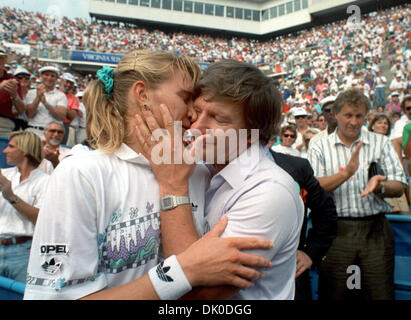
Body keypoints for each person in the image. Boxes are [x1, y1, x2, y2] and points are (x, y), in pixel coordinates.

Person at [24, 51, 274, 300]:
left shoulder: (198, 173)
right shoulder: (82, 174)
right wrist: (180, 272)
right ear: (142, 94)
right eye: (186, 98)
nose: (193, 114)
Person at [135, 59, 304, 300]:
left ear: (250, 136)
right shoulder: (201, 166)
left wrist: (173, 187)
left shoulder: (270, 193)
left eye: (218, 119)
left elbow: (196, 292)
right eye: (197, 110)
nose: (197, 125)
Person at [308, 88, 407, 300]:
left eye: (359, 116)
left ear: (366, 116)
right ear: (335, 114)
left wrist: (380, 188)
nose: (353, 122)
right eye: (348, 115)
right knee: (336, 294)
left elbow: (399, 184)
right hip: (335, 232)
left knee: (380, 293)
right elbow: (314, 187)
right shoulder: (320, 147)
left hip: (375, 231)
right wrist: (346, 174)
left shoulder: (380, 143)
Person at [268, 149, 337, 300]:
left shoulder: (296, 167)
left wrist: (310, 253)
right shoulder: (210, 171)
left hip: (291, 277)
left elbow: (326, 211)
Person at [0, 131, 49, 283]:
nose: (4, 150)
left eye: (10, 146)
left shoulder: (46, 181)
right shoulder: (4, 174)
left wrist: (11, 196)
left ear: (25, 150)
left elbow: (41, 218)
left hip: (24, 253)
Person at [369, 113, 409, 214]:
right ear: (372, 126)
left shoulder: (391, 143)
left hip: (394, 185)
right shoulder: (366, 143)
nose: (383, 125)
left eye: (385, 123)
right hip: (378, 191)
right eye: (379, 122)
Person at [25, 66, 67, 139]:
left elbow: (61, 116)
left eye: (52, 76)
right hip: (33, 131)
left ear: (56, 79)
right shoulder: (31, 93)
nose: (49, 78)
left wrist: (46, 103)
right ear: (41, 76)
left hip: (51, 134)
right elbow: (29, 114)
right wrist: (38, 98)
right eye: (46, 75)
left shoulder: (61, 95)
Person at [0, 46, 25, 137]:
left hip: (4, 125)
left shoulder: (12, 81)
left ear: (5, 61)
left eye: (1, 58)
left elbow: (21, 110)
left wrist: (15, 96)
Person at [60, 73, 80, 145]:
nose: (68, 85)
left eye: (71, 83)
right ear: (62, 81)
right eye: (67, 82)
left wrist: (60, 107)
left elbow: (72, 116)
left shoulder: (75, 99)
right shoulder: (54, 92)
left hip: (64, 126)